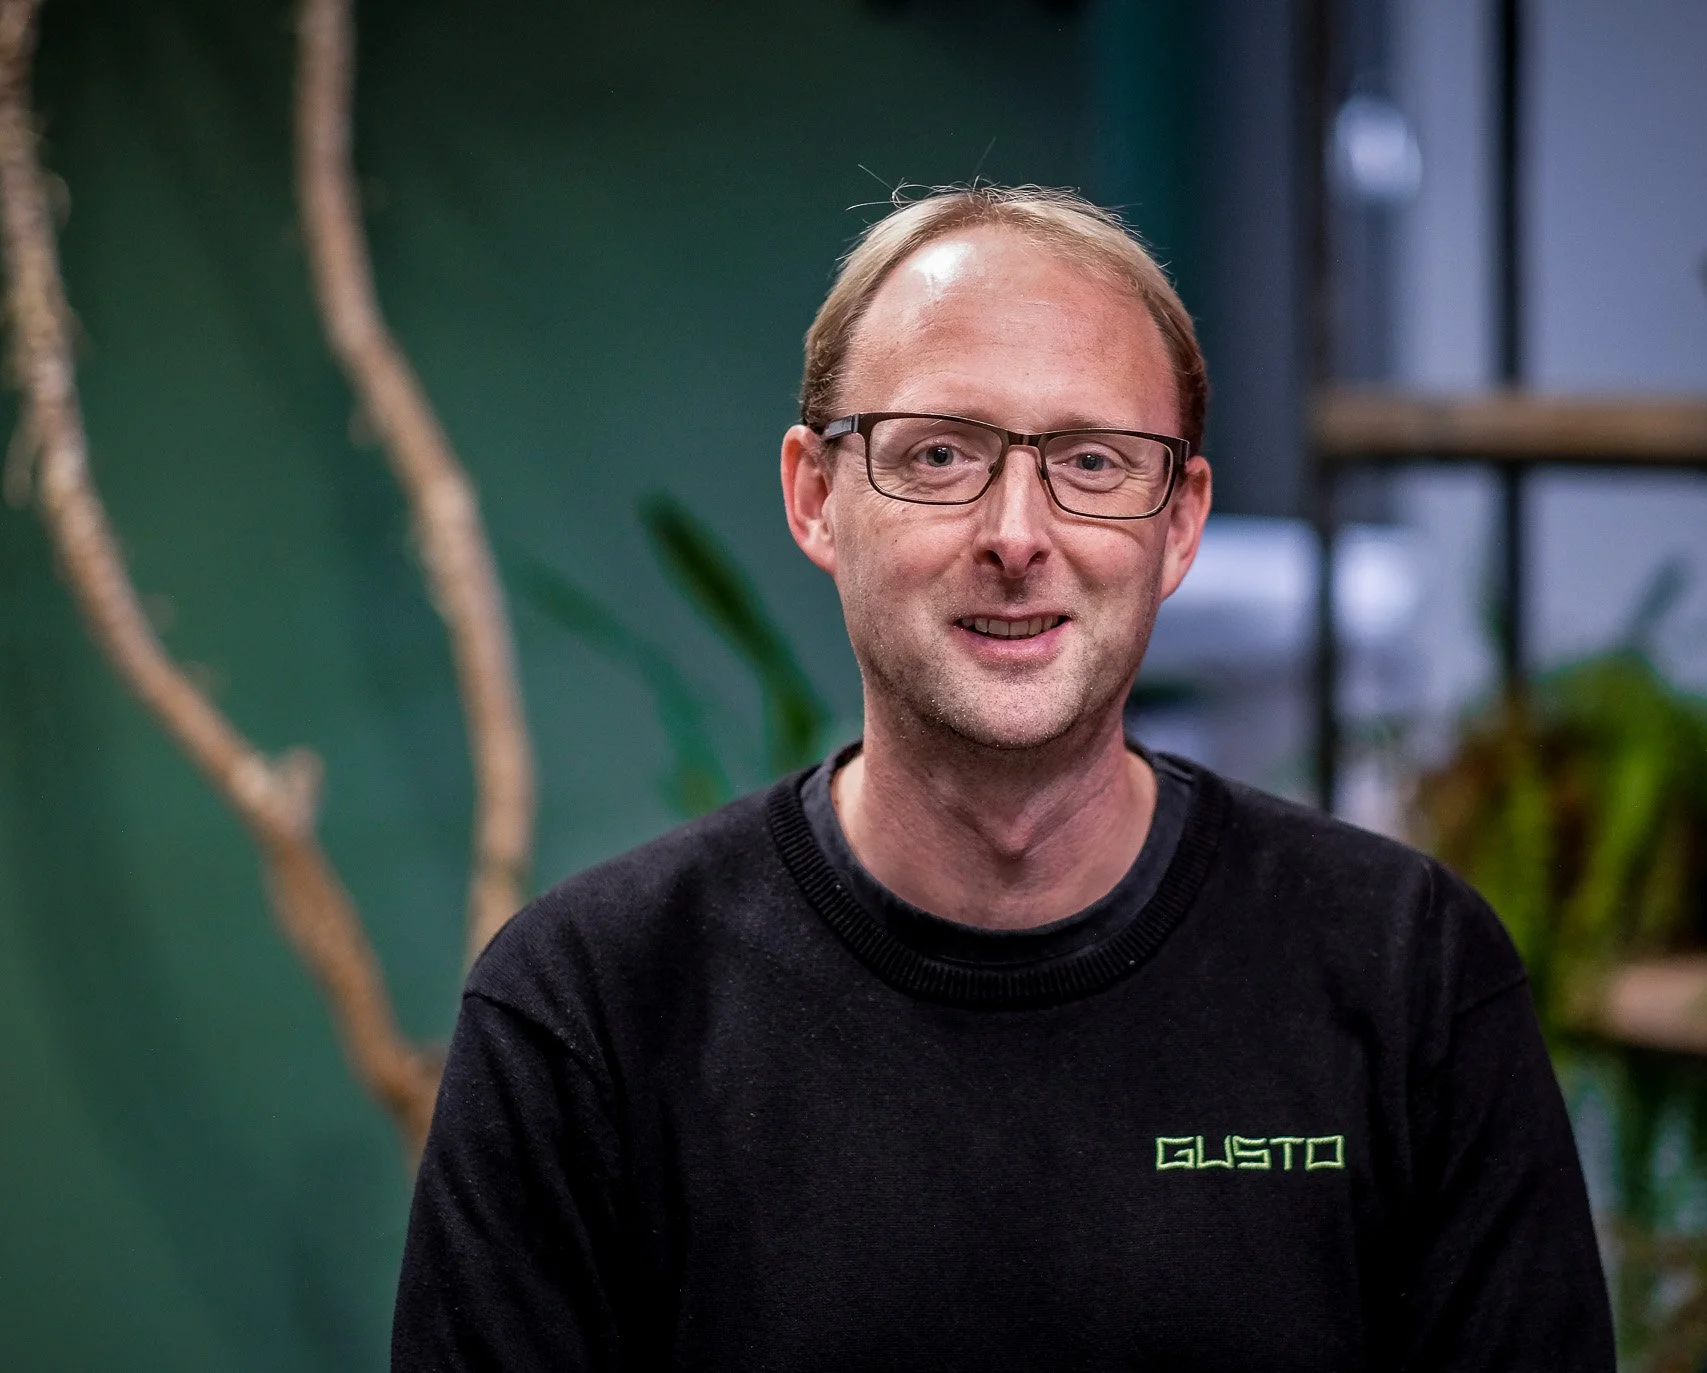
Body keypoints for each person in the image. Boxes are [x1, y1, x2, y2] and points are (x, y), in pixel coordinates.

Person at [392, 184, 1613, 1371]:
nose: (1018, 534)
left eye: (1090, 460)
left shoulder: (1406, 975)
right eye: (937, 454)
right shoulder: (590, 1009)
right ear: (816, 497)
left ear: (1178, 523)